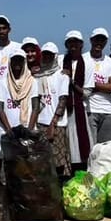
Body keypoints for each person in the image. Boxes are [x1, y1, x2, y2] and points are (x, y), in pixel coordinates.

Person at [35, 42, 71, 178]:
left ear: (55, 56)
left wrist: (53, 123)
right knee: (43, 160)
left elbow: (63, 100)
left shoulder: (62, 76)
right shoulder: (39, 75)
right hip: (41, 122)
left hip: (57, 124)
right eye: (45, 55)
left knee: (59, 159)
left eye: (50, 55)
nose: (47, 58)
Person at [80, 28, 111, 144]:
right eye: (96, 39)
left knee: (105, 148)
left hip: (108, 110)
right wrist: (104, 86)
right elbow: (78, 83)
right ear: (91, 40)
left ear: (106, 42)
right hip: (88, 109)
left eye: (102, 40)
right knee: (89, 146)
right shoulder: (82, 59)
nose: (99, 43)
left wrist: (91, 85)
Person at [61, 31, 94, 169]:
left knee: (81, 143)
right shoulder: (61, 60)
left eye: (76, 42)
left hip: (80, 108)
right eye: (70, 42)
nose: (73, 45)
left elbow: (86, 93)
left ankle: (82, 171)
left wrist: (71, 82)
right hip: (64, 108)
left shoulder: (87, 63)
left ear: (81, 44)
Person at [0, 49, 39, 132]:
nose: (17, 63)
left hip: (27, 128)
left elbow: (35, 107)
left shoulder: (31, 81)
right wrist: (9, 130)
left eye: (20, 60)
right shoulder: (2, 82)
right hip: (7, 130)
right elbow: (0, 109)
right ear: (10, 62)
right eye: (15, 60)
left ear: (24, 62)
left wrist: (29, 130)